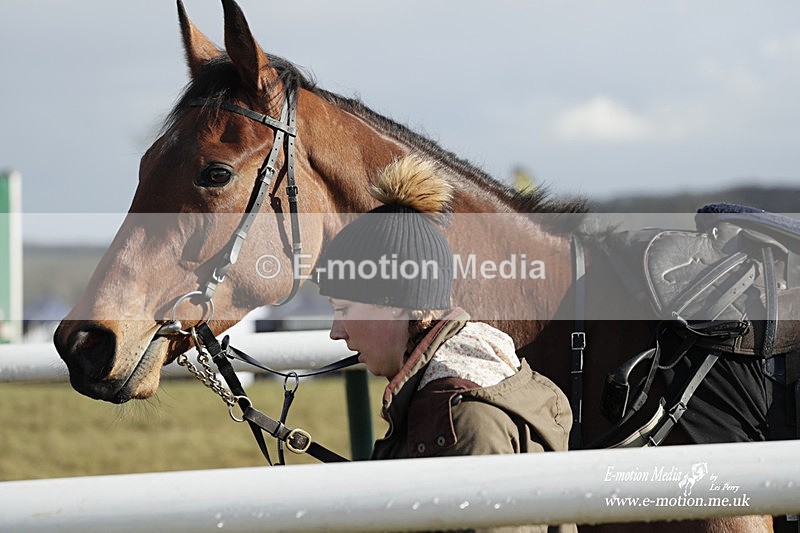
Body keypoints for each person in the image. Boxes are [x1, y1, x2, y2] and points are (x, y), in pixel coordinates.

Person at [316, 155, 574, 532]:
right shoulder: (479, 382)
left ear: (395, 304)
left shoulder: (463, 418)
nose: (336, 331)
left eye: (344, 308)